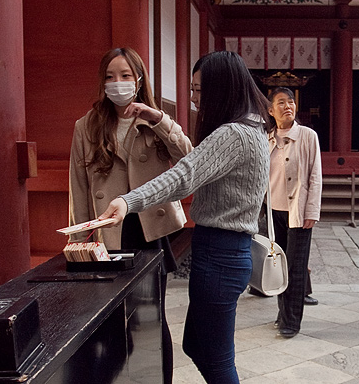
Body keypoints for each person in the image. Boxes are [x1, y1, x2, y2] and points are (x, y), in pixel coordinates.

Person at [99, 51, 272, 383]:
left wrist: (128, 201)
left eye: (198, 90)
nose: (194, 98)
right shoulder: (252, 127)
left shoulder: (233, 134)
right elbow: (197, 165)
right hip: (225, 252)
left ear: (221, 88)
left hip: (220, 255)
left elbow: (183, 176)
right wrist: (160, 119)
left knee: (217, 358)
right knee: (197, 345)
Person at [68, 47, 192, 383]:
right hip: (109, 232)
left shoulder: (153, 120)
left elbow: (190, 158)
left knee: (153, 316)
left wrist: (159, 119)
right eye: (110, 77)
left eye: (125, 75)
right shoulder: (87, 125)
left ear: (138, 80)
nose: (117, 83)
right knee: (110, 321)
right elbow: (79, 188)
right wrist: (80, 242)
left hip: (151, 228)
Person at [265, 87, 322, 338]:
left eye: (291, 102)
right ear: (270, 110)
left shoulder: (308, 136)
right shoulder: (266, 138)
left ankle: (292, 321)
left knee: (296, 267)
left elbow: (315, 176)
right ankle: (282, 312)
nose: (288, 106)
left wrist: (312, 210)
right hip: (273, 211)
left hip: (297, 212)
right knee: (278, 266)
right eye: (281, 102)